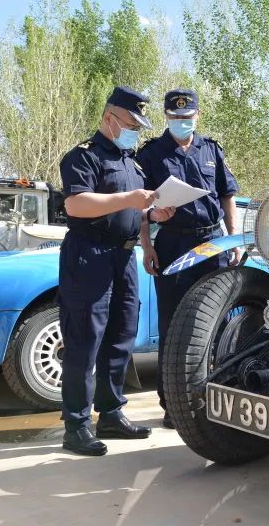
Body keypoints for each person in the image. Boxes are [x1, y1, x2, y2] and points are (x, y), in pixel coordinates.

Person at [57, 86, 173, 456]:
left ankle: (110, 412)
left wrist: (152, 216)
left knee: (121, 337)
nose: (134, 131)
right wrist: (130, 199)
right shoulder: (83, 156)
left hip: (123, 257)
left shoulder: (131, 162)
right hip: (89, 255)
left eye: (138, 126)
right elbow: (76, 204)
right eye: (130, 123)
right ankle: (76, 425)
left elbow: (133, 211)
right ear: (109, 119)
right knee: (84, 340)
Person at [135, 88, 240, 428]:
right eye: (175, 118)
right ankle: (171, 404)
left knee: (217, 322)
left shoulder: (211, 150)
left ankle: (217, 395)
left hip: (211, 243)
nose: (181, 123)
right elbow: (140, 206)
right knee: (173, 326)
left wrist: (233, 239)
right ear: (166, 117)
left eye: (187, 117)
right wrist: (148, 245)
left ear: (198, 115)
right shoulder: (151, 153)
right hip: (173, 245)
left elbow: (227, 196)